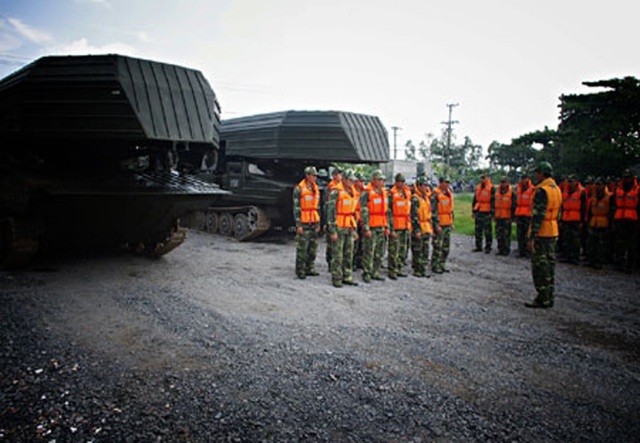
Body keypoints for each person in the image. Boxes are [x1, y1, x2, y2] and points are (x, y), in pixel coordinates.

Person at [525, 161, 562, 309]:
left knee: (540, 267)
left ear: (542, 173)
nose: (535, 175)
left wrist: (532, 236)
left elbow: (538, 216)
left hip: (542, 232)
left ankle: (542, 298)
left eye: (537, 172)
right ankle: (549, 297)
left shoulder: (542, 191)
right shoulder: (556, 189)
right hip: (553, 230)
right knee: (549, 265)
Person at [326, 169, 359, 287]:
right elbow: (331, 211)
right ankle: (337, 278)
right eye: (350, 180)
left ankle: (347, 276)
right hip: (339, 226)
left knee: (349, 253)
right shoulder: (336, 192)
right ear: (344, 179)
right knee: (338, 255)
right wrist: (332, 230)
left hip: (349, 226)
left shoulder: (352, 192)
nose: (352, 182)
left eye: (353, 180)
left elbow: (353, 212)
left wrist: (354, 229)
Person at [360, 169, 390, 282]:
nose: (382, 182)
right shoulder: (366, 193)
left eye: (383, 180)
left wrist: (387, 226)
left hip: (381, 225)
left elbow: (387, 212)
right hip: (371, 226)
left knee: (380, 251)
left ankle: (375, 272)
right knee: (369, 251)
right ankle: (367, 273)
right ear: (373, 180)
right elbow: (363, 211)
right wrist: (366, 227)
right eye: (380, 179)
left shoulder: (384, 193)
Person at [292, 166, 321, 279]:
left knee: (313, 247)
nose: (314, 177)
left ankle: (310, 268)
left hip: (313, 221)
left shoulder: (315, 189)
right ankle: (300, 270)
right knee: (302, 248)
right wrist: (298, 224)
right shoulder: (299, 189)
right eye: (312, 175)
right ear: (307, 175)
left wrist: (318, 222)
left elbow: (317, 207)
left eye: (315, 176)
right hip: (303, 222)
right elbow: (296, 208)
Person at [613, 169, 639, 273]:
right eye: (625, 177)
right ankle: (619, 263)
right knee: (619, 243)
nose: (626, 179)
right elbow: (613, 205)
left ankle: (630, 265)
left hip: (633, 220)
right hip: (619, 219)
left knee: (632, 245)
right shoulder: (618, 190)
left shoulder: (637, 190)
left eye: (628, 177)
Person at [586, 177, 615, 269]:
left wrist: (611, 223)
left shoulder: (610, 197)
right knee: (591, 243)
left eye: (599, 184)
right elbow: (589, 210)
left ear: (604, 185)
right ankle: (591, 260)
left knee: (602, 245)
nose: (597, 186)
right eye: (596, 184)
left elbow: (612, 211)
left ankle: (600, 262)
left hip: (604, 223)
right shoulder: (593, 197)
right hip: (593, 222)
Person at [387, 173, 412, 279]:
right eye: (399, 181)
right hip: (396, 226)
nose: (401, 184)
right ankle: (392, 270)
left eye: (403, 182)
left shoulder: (407, 193)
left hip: (405, 225)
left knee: (403, 249)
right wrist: (391, 228)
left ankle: (400, 268)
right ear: (396, 182)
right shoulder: (391, 194)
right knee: (394, 250)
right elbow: (389, 212)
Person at [410, 176, 435, 277]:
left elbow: (429, 213)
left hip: (426, 227)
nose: (426, 187)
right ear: (419, 186)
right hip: (419, 226)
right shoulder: (415, 199)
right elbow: (414, 215)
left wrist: (431, 227)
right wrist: (416, 230)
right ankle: (417, 269)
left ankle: (423, 268)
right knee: (417, 249)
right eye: (424, 185)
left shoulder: (425, 198)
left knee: (425, 249)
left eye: (427, 185)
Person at [559, 175, 587, 264]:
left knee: (575, 240)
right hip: (566, 218)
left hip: (576, 219)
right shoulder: (565, 191)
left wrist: (582, 221)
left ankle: (575, 257)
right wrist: (561, 219)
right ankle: (568, 256)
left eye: (572, 181)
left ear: (576, 182)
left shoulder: (582, 192)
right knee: (566, 238)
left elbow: (584, 207)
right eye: (569, 181)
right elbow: (562, 206)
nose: (570, 183)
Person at [431, 177, 454, 274]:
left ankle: (442, 264)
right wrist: (436, 225)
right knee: (437, 246)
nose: (447, 184)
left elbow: (451, 210)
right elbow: (433, 211)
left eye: (448, 183)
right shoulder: (435, 195)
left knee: (446, 247)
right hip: (440, 224)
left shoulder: (449, 194)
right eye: (445, 182)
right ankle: (435, 265)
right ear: (440, 183)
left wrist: (452, 222)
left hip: (447, 223)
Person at [324, 168, 343, 265]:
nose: (340, 176)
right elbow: (327, 205)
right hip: (331, 218)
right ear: (334, 175)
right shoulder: (330, 188)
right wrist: (326, 221)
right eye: (338, 174)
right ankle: (329, 261)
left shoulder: (343, 187)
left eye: (341, 174)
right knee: (330, 243)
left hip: (340, 219)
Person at [472, 174, 494, 253]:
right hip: (478, 210)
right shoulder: (478, 187)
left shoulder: (491, 188)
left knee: (487, 230)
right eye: (481, 178)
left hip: (487, 211)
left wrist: (492, 212)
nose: (482, 180)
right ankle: (478, 246)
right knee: (478, 229)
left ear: (487, 179)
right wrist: (473, 211)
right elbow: (474, 199)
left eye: (484, 178)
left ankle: (488, 247)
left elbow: (493, 200)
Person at [494, 176, 516, 256]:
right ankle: (500, 249)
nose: (502, 184)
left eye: (504, 182)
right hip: (498, 216)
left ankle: (506, 250)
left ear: (507, 183)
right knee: (499, 234)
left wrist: (512, 217)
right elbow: (494, 204)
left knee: (506, 235)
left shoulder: (512, 193)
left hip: (507, 217)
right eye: (501, 182)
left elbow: (514, 206)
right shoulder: (497, 192)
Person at [515, 172, 534, 258]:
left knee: (527, 234)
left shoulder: (532, 189)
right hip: (519, 213)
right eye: (522, 178)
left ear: (528, 179)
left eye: (525, 178)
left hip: (528, 214)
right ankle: (521, 251)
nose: (523, 180)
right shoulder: (518, 189)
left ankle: (528, 252)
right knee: (520, 234)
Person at [352, 171, 366, 270]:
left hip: (362, 220)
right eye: (360, 181)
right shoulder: (352, 192)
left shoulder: (364, 193)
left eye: (363, 181)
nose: (362, 183)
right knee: (353, 243)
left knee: (362, 243)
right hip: (353, 220)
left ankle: (359, 262)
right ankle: (352, 263)